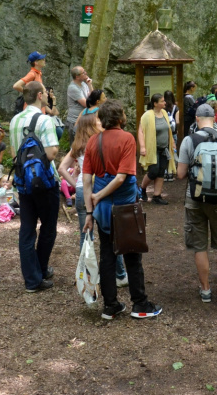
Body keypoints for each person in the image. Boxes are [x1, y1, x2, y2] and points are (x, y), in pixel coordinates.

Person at [82, 100, 163, 320]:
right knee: (133, 256)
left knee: (107, 256)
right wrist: (99, 196)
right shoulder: (127, 139)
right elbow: (121, 177)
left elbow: (86, 180)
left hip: (103, 212)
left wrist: (90, 212)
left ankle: (111, 306)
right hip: (125, 209)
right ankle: (140, 304)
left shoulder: (93, 141)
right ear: (120, 118)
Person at [176, 103, 217, 304]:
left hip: (194, 199)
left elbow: (180, 174)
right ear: (214, 119)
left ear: (196, 119)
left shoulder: (189, 140)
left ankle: (204, 290)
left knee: (199, 245)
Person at [58, 112, 129, 286]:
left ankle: (89, 275)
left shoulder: (78, 146)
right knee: (110, 232)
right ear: (91, 125)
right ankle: (119, 274)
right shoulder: (99, 143)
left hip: (83, 191)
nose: (101, 122)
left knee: (86, 234)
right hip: (98, 191)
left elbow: (61, 168)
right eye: (98, 120)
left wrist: (77, 184)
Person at [10, 81, 60, 292]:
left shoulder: (14, 120)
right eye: (46, 94)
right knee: (48, 228)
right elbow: (52, 152)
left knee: (27, 230)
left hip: (23, 183)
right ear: (40, 95)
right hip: (45, 183)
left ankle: (32, 278)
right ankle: (40, 270)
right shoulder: (44, 119)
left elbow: (14, 155)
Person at [138, 93, 176, 205]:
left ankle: (157, 196)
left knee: (161, 172)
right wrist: (143, 147)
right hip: (152, 149)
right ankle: (142, 188)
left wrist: (172, 142)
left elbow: (168, 130)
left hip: (164, 148)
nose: (165, 103)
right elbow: (141, 131)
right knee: (153, 171)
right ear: (155, 103)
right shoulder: (147, 115)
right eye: (162, 101)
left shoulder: (164, 113)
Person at [65, 65, 91, 140]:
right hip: (75, 122)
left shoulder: (83, 84)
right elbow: (87, 104)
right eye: (83, 72)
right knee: (75, 147)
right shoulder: (73, 88)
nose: (86, 73)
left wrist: (89, 84)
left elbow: (92, 97)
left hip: (83, 120)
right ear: (77, 77)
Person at [163, 90, 180, 182]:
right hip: (173, 133)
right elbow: (177, 122)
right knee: (172, 152)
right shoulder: (175, 108)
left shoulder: (163, 108)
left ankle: (165, 172)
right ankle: (170, 173)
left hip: (164, 133)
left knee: (164, 153)